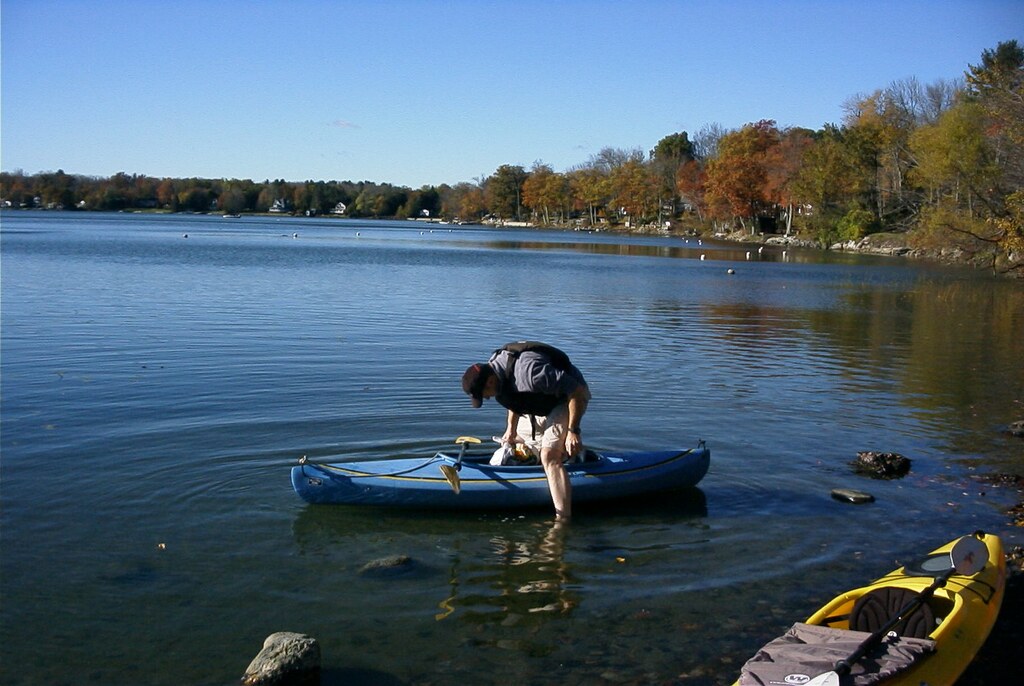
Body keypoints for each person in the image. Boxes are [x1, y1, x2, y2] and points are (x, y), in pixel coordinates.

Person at [462, 341, 591, 520]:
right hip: (539, 403)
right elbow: (512, 396)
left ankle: (563, 519)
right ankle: (561, 455)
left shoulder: (532, 374)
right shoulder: (496, 371)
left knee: (549, 456)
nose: (488, 398)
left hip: (567, 399)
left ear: (490, 381)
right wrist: (511, 430)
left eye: (485, 394)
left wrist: (573, 430)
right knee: (518, 449)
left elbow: (577, 391)